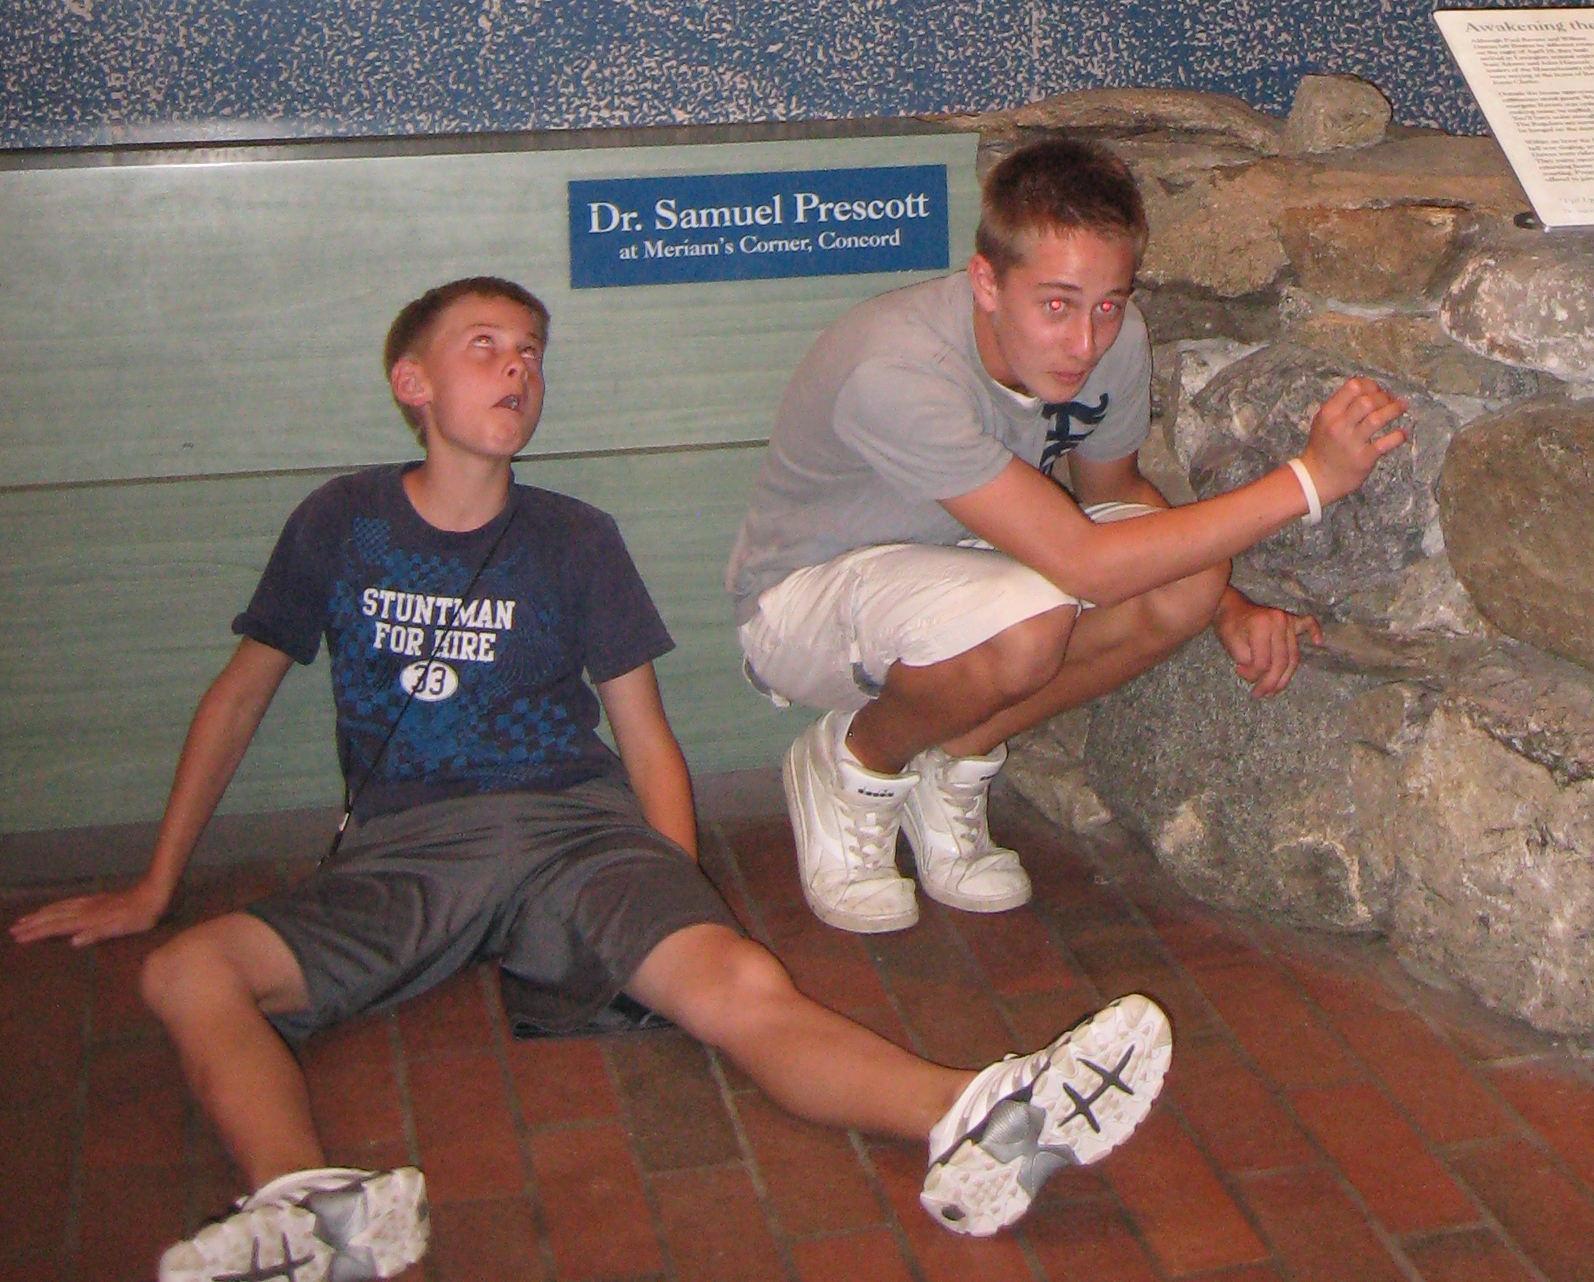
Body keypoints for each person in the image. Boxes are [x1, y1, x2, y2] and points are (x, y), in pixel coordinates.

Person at [11, 276, 1171, 1282]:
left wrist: (672, 891)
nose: (518, 369)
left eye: (531, 352)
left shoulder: (574, 537)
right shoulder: (340, 523)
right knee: (184, 972)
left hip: (574, 832)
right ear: (413, 383)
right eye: (485, 347)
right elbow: (239, 696)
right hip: (408, 847)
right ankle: (309, 1209)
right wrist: (156, 884)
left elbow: (644, 733)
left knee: (740, 987)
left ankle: (970, 1114)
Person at [727, 132, 1408, 932]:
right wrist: (1308, 481)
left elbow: (1114, 496)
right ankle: (855, 763)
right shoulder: (896, 372)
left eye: (1107, 304)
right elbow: (1087, 563)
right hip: (801, 607)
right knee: (1028, 623)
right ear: (987, 282)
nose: (1085, 343)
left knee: (1190, 578)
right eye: (1056, 305)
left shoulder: (1114, 340)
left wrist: (1226, 607)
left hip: (971, 578)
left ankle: (954, 756)